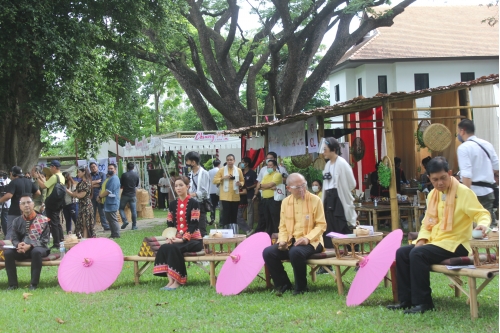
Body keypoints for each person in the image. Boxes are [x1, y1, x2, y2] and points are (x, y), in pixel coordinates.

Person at [387, 157, 491, 314]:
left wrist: (483, 225)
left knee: (418, 254)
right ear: (429, 178)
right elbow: (427, 224)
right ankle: (406, 300)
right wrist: (421, 239)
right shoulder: (432, 196)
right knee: (402, 252)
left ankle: (423, 303)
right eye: (435, 180)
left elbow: (481, 213)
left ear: (449, 173)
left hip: (457, 245)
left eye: (443, 178)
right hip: (436, 242)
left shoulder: (464, 193)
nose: (440, 183)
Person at [262, 173, 326, 296]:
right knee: (268, 252)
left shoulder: (315, 200)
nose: (302, 189)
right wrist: (282, 241)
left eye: (303, 185)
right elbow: (283, 226)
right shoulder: (285, 202)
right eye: (297, 187)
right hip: (292, 240)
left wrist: (307, 239)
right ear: (288, 189)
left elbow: (321, 225)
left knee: (295, 252)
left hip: (313, 241)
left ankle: (301, 287)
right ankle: (283, 284)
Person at [153, 176, 203, 290]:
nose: (178, 188)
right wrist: (170, 237)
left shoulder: (194, 203)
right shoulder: (172, 204)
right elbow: (170, 223)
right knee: (165, 247)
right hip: (177, 239)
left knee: (174, 248)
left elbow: (194, 224)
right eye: (176, 186)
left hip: (194, 240)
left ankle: (178, 280)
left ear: (187, 186)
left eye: (181, 185)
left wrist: (183, 239)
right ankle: (170, 281)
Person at [4, 194, 50, 290]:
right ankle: (12, 284)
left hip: (39, 248)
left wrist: (30, 245)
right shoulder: (16, 221)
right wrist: (18, 245)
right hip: (23, 250)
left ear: (33, 204)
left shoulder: (42, 220)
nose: (26, 205)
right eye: (23, 203)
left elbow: (45, 240)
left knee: (36, 251)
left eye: (28, 202)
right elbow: (15, 238)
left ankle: (33, 284)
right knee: (8, 253)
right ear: (20, 207)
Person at [457, 119, 499, 225]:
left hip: (473, 192)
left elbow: (466, 175)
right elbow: (496, 167)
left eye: (458, 131)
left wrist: (466, 196)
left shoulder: (463, 148)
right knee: (488, 225)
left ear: (462, 131)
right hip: (489, 191)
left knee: (472, 226)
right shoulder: (487, 144)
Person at [321, 138, 357, 248]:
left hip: (339, 199)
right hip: (328, 198)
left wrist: (342, 189)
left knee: (343, 225)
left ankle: (354, 255)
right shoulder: (327, 165)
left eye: (325, 149)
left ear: (333, 149)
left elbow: (352, 183)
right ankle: (329, 258)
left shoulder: (342, 163)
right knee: (328, 228)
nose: (324, 152)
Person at [1, 166, 40, 240]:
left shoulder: (13, 182)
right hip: (27, 211)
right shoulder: (29, 181)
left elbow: (9, 196)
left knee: (11, 231)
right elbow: (38, 192)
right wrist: (30, 200)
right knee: (26, 231)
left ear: (11, 173)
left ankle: (10, 249)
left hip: (15, 211)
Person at [35, 160, 65, 249]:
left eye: (51, 167)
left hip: (51, 203)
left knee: (53, 223)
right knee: (57, 222)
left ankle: (56, 243)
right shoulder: (61, 176)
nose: (50, 169)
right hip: (58, 202)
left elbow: (44, 186)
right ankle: (61, 239)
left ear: (54, 167)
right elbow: (47, 183)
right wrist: (40, 176)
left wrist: (37, 178)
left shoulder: (54, 176)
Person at [213, 154, 244, 229]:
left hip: (235, 196)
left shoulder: (238, 170)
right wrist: (223, 177)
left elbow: (242, 181)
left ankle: (233, 230)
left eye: (231, 160)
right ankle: (225, 230)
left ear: (234, 161)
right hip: (225, 196)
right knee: (226, 214)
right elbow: (214, 180)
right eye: (228, 160)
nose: (229, 161)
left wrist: (240, 184)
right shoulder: (222, 170)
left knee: (234, 214)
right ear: (226, 161)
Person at [254, 159, 283, 235]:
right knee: (267, 218)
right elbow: (260, 187)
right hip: (265, 200)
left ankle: (277, 235)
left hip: (273, 200)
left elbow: (270, 184)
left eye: (271, 165)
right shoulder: (266, 175)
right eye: (268, 165)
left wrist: (265, 186)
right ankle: (269, 235)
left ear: (275, 166)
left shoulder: (277, 175)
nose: (269, 167)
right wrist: (266, 186)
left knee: (275, 218)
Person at [185, 151, 210, 237]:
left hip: (200, 203)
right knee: (191, 225)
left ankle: (204, 246)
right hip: (190, 202)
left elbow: (205, 192)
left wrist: (193, 194)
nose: (186, 163)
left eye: (187, 161)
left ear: (193, 162)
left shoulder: (204, 173)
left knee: (201, 226)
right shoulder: (190, 174)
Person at [66, 166, 95, 238]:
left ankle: (85, 239)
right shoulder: (81, 183)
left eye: (79, 172)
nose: (77, 174)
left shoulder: (86, 183)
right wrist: (70, 192)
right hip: (81, 205)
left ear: (84, 172)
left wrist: (70, 192)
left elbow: (80, 195)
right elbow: (76, 193)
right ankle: (83, 238)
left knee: (85, 224)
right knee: (81, 223)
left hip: (86, 205)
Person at [99, 164, 121, 238]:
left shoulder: (114, 178)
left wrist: (100, 196)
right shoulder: (109, 178)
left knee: (113, 219)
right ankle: (113, 234)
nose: (110, 170)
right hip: (108, 202)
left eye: (111, 168)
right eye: (109, 168)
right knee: (109, 219)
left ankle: (116, 234)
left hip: (112, 202)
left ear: (115, 169)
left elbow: (108, 191)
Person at [89, 162, 110, 231]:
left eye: (94, 166)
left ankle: (105, 226)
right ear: (90, 168)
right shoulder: (89, 176)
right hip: (92, 197)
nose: (93, 168)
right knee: (92, 213)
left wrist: (92, 184)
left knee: (102, 212)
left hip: (100, 196)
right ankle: (92, 227)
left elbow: (102, 184)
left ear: (97, 167)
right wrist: (96, 182)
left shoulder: (102, 174)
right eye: (91, 167)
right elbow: (87, 184)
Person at [120, 162, 139, 230]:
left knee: (121, 208)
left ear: (127, 168)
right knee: (133, 210)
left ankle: (125, 220)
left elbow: (121, 184)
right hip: (133, 194)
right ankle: (134, 226)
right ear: (133, 167)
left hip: (125, 194)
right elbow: (136, 185)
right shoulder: (136, 175)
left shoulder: (124, 175)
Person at [241, 157, 257, 230]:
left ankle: (250, 227)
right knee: (240, 212)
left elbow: (256, 183)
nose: (241, 164)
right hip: (241, 195)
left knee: (250, 212)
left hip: (249, 194)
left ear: (247, 164)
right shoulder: (240, 172)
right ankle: (242, 226)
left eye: (243, 162)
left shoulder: (252, 173)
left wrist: (249, 187)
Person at [208, 160, 221, 225]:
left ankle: (212, 217)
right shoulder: (220, 170)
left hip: (211, 190)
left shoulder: (209, 171)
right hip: (219, 190)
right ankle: (221, 220)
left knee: (213, 206)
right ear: (219, 164)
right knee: (221, 206)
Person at [0, 170, 11, 238]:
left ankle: (6, 235)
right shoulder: (9, 181)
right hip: (7, 203)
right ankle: (6, 235)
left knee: (5, 220)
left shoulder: (8, 182)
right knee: (5, 220)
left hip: (6, 204)